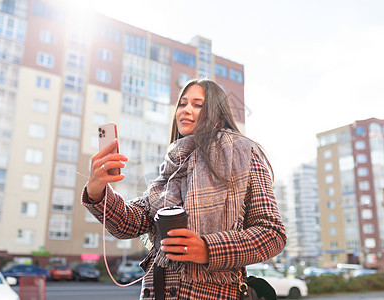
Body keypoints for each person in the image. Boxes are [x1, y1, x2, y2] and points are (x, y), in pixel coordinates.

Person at [82, 78, 286, 299]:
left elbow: (272, 233)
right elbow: (129, 224)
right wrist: (97, 192)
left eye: (198, 105)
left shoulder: (243, 154)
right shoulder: (170, 169)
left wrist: (208, 249)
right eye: (182, 103)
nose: (186, 110)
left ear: (217, 116)